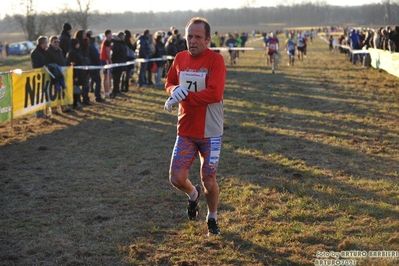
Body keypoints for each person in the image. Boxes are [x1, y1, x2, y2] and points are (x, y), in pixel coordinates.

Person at [164, 17, 226, 236]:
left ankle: (212, 216)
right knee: (176, 179)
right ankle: (192, 194)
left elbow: (214, 93)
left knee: (209, 179)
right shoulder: (180, 58)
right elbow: (169, 82)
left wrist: (186, 96)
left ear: (208, 39)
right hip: (186, 130)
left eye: (198, 37)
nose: (193, 41)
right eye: (189, 36)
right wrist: (173, 91)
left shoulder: (215, 60)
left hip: (211, 131)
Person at [45, 35, 71, 113]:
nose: (57, 43)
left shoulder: (59, 50)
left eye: (58, 42)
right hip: (53, 74)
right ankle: (53, 108)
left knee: (61, 91)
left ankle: (63, 106)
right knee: (53, 92)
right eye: (55, 42)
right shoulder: (48, 51)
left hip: (61, 73)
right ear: (51, 42)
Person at [30, 36, 48, 118]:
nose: (47, 44)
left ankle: (42, 112)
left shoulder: (44, 52)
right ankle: (39, 113)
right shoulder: (35, 52)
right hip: (38, 75)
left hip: (44, 75)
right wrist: (42, 66)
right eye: (46, 43)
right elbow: (35, 64)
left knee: (43, 94)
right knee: (39, 94)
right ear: (42, 43)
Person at [86, 30, 104, 102]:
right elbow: (95, 56)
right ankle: (97, 96)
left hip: (92, 65)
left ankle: (92, 93)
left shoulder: (88, 45)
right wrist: (98, 63)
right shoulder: (91, 46)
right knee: (98, 81)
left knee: (92, 80)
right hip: (94, 65)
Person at [66, 38, 84, 109]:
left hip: (79, 72)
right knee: (75, 89)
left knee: (76, 88)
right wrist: (75, 76)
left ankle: (77, 102)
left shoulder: (76, 51)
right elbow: (73, 65)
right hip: (75, 73)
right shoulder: (72, 52)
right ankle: (75, 103)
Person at [110, 31, 127, 98]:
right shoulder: (116, 44)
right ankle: (115, 90)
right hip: (117, 63)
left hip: (121, 63)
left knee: (118, 78)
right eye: (123, 36)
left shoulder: (121, 43)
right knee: (116, 78)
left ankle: (117, 90)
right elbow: (114, 54)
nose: (124, 38)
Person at [99, 29, 112, 98]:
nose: (111, 35)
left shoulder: (105, 41)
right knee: (106, 76)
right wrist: (110, 60)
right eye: (110, 34)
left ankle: (108, 89)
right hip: (105, 60)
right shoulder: (106, 42)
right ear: (107, 35)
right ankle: (106, 92)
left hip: (104, 60)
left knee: (107, 76)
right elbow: (107, 52)